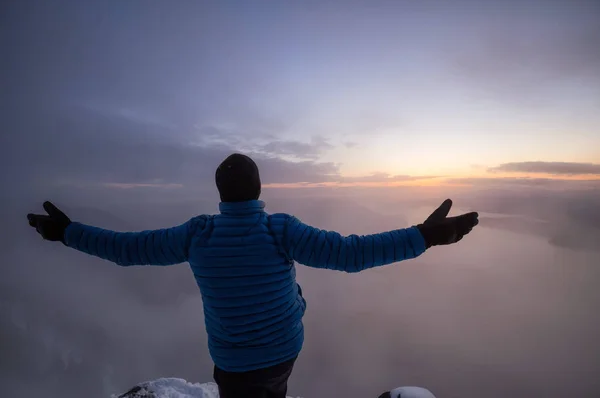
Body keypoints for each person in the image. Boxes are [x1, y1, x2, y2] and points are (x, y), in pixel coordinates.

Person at [27, 153, 478, 398]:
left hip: (233, 361)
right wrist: (423, 237)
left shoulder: (197, 234)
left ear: (220, 193)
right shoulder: (279, 228)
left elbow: (127, 249)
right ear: (260, 190)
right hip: (283, 351)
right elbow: (352, 254)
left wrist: (69, 234)